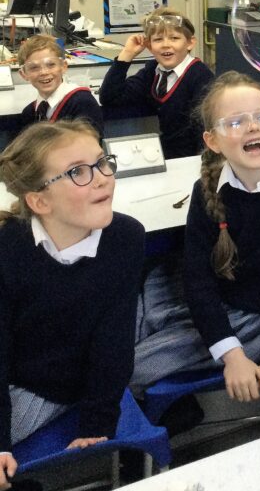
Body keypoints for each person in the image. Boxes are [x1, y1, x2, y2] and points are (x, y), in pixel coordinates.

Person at [132, 71, 260, 402]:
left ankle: (170, 412)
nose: (253, 127)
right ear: (213, 141)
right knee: (132, 311)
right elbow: (198, 280)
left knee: (131, 366)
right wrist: (232, 356)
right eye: (236, 122)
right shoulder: (206, 189)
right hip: (219, 300)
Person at [0, 121, 144, 487]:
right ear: (38, 201)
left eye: (102, 163)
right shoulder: (9, 247)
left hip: (56, 389)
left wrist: (97, 421)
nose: (102, 179)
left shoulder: (125, 238)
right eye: (78, 172)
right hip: (16, 379)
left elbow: (114, 340)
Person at [99, 7, 213, 159]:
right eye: (158, 39)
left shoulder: (200, 76)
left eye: (174, 38)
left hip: (190, 159)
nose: (166, 44)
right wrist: (127, 54)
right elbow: (109, 96)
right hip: (163, 156)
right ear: (149, 46)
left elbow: (204, 130)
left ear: (190, 43)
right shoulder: (152, 70)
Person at [17, 35, 103, 138]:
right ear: (23, 74)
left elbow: (90, 147)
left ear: (63, 66)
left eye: (51, 65)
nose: (44, 72)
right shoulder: (30, 112)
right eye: (34, 67)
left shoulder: (82, 102)